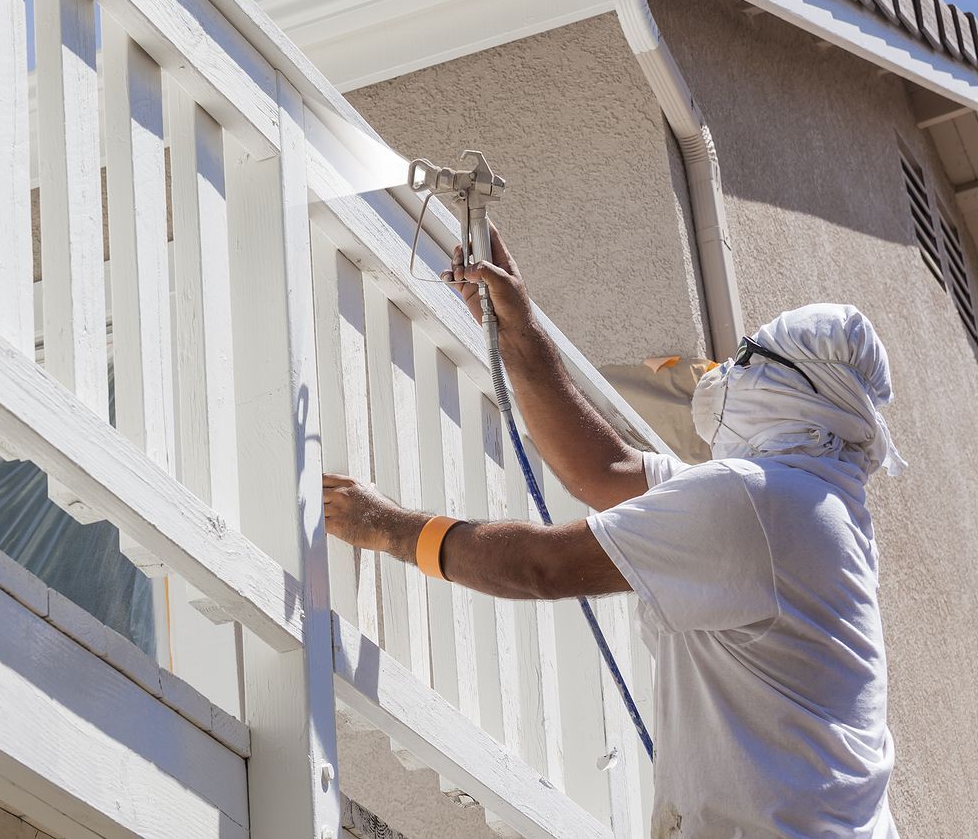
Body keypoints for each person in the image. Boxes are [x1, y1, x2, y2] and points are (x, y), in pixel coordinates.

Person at [322, 227, 901, 838]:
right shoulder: (805, 499)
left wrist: (385, 527)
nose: (729, 372)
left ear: (792, 388)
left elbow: (539, 567)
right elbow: (608, 470)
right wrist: (519, 330)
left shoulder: (763, 503)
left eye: (749, 358)